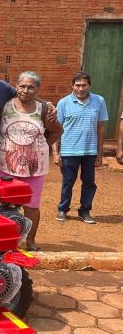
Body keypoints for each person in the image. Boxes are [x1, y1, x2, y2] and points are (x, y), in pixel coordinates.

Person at [0, 71, 62, 250]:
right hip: (5, 166)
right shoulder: (5, 106)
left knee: (32, 207)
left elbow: (57, 131)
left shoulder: (44, 110)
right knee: (3, 206)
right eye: (22, 86)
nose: (26, 90)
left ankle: (30, 240)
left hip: (35, 169)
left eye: (31, 87)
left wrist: (42, 147)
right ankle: (5, 240)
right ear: (16, 86)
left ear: (37, 89)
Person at [53, 71, 109, 224]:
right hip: (69, 150)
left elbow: (101, 127)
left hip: (90, 150)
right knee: (68, 181)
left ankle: (84, 211)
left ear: (89, 85)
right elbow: (56, 129)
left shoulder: (99, 101)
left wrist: (100, 153)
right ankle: (63, 209)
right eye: (77, 85)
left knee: (89, 182)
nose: (81, 88)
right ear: (72, 86)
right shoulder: (64, 102)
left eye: (84, 85)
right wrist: (56, 153)